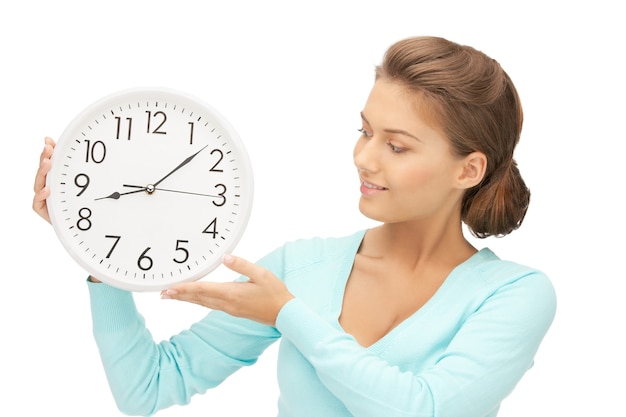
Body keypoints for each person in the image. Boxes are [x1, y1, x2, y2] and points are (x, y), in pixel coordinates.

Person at [33, 36, 556, 417]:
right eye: (365, 131)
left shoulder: (514, 295)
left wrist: (288, 315)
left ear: (469, 169)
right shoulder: (302, 268)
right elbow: (146, 388)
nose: (364, 159)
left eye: (396, 146)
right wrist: (96, 249)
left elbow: (422, 410)